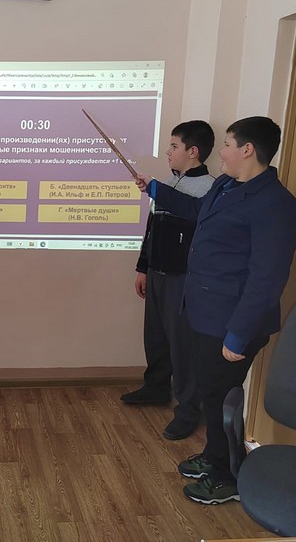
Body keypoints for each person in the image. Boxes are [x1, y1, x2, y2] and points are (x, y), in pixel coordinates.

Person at [135, 116, 296, 505]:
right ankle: (215, 457)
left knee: (222, 398)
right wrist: (155, 188)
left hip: (232, 323)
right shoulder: (226, 186)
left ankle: (228, 476)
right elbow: (196, 211)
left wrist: (238, 335)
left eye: (227, 144)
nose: (222, 152)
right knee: (212, 394)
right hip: (204, 314)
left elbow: (267, 279)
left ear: (247, 149)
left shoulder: (276, 205)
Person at [121, 121, 215, 442]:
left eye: (174, 146)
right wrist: (143, 268)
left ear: (193, 151)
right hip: (158, 274)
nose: (168, 152)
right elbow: (152, 230)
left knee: (182, 345)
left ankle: (188, 410)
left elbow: (193, 212)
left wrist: (156, 189)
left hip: (183, 280)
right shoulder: (169, 184)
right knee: (156, 336)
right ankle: (156, 387)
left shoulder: (210, 188)